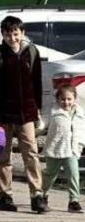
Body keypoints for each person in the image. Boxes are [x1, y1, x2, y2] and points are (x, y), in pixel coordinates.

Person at [0, 15, 45, 213]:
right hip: (2, 115)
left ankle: (37, 194)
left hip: (26, 113)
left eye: (16, 33)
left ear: (22, 33)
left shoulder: (31, 53)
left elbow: (37, 84)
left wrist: (37, 111)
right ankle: (5, 195)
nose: (12, 38)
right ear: (3, 35)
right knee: (3, 156)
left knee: (31, 154)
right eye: (8, 34)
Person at [43, 84, 85, 213]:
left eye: (69, 99)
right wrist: (35, 129)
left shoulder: (79, 113)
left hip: (71, 149)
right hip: (55, 148)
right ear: (57, 99)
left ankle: (74, 200)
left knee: (73, 174)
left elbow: (81, 130)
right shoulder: (53, 112)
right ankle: (43, 195)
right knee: (50, 175)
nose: (66, 102)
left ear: (74, 99)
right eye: (63, 99)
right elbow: (43, 123)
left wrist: (81, 144)